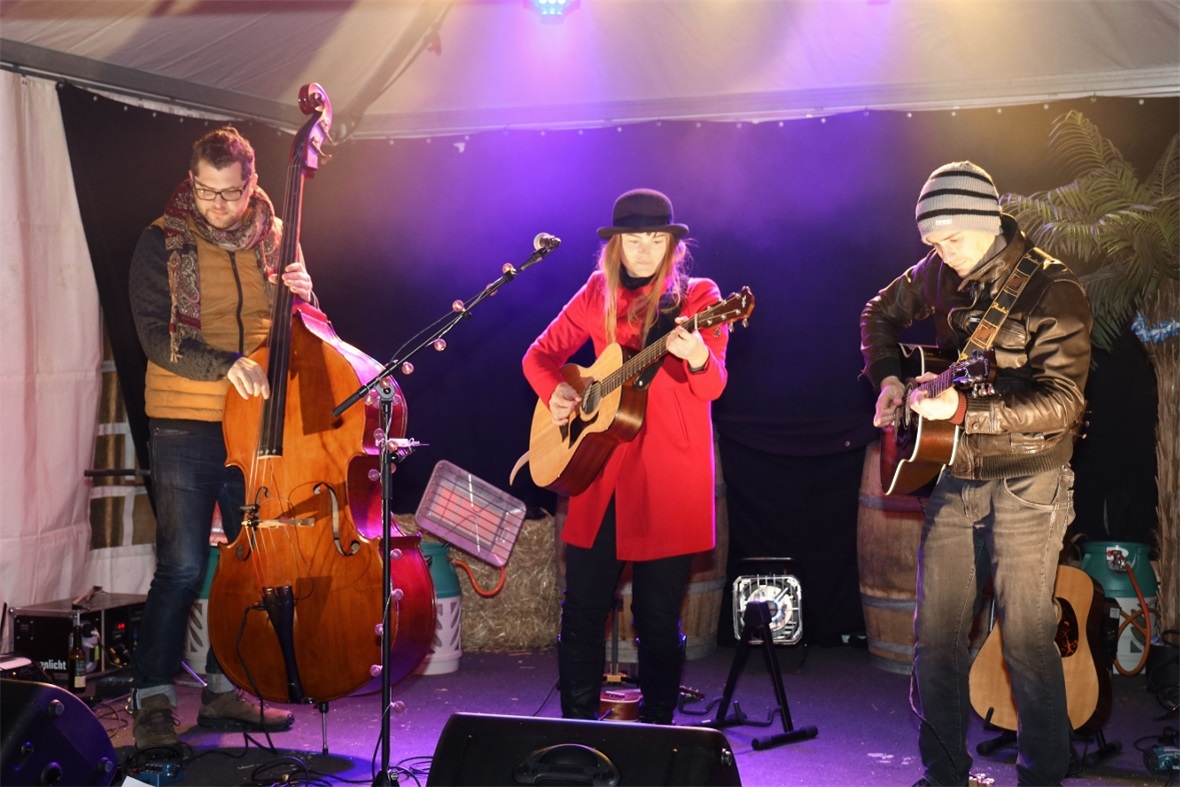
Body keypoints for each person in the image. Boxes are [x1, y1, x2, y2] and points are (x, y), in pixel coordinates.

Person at [860, 161, 1092, 786]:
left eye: (952, 239)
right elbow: (878, 313)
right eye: (931, 243)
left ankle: (1041, 778)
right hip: (956, 470)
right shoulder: (940, 267)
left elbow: (1064, 404)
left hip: (1030, 477)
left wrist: (963, 410)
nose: (942, 255)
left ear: (988, 223)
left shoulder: (1053, 289)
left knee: (1026, 638)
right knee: (934, 637)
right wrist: (889, 378)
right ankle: (943, 775)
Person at [523, 188, 729, 724]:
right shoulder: (597, 292)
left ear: (673, 245)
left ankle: (659, 734)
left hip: (669, 476)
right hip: (600, 468)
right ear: (615, 245)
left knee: (657, 618)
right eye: (634, 239)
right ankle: (577, 735)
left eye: (657, 239)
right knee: (582, 612)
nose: (645, 250)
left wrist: (698, 355)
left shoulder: (699, 297)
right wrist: (556, 392)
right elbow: (538, 356)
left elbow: (713, 387)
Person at [128, 126, 304, 750]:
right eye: (205, 191)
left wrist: (308, 301)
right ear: (192, 180)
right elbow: (156, 336)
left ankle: (226, 689)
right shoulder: (160, 239)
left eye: (230, 193)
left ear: (252, 183)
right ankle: (152, 699)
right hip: (183, 415)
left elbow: (300, 328)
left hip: (254, 419)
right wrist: (225, 364)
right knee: (181, 565)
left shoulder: (278, 234)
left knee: (246, 564)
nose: (217, 205)